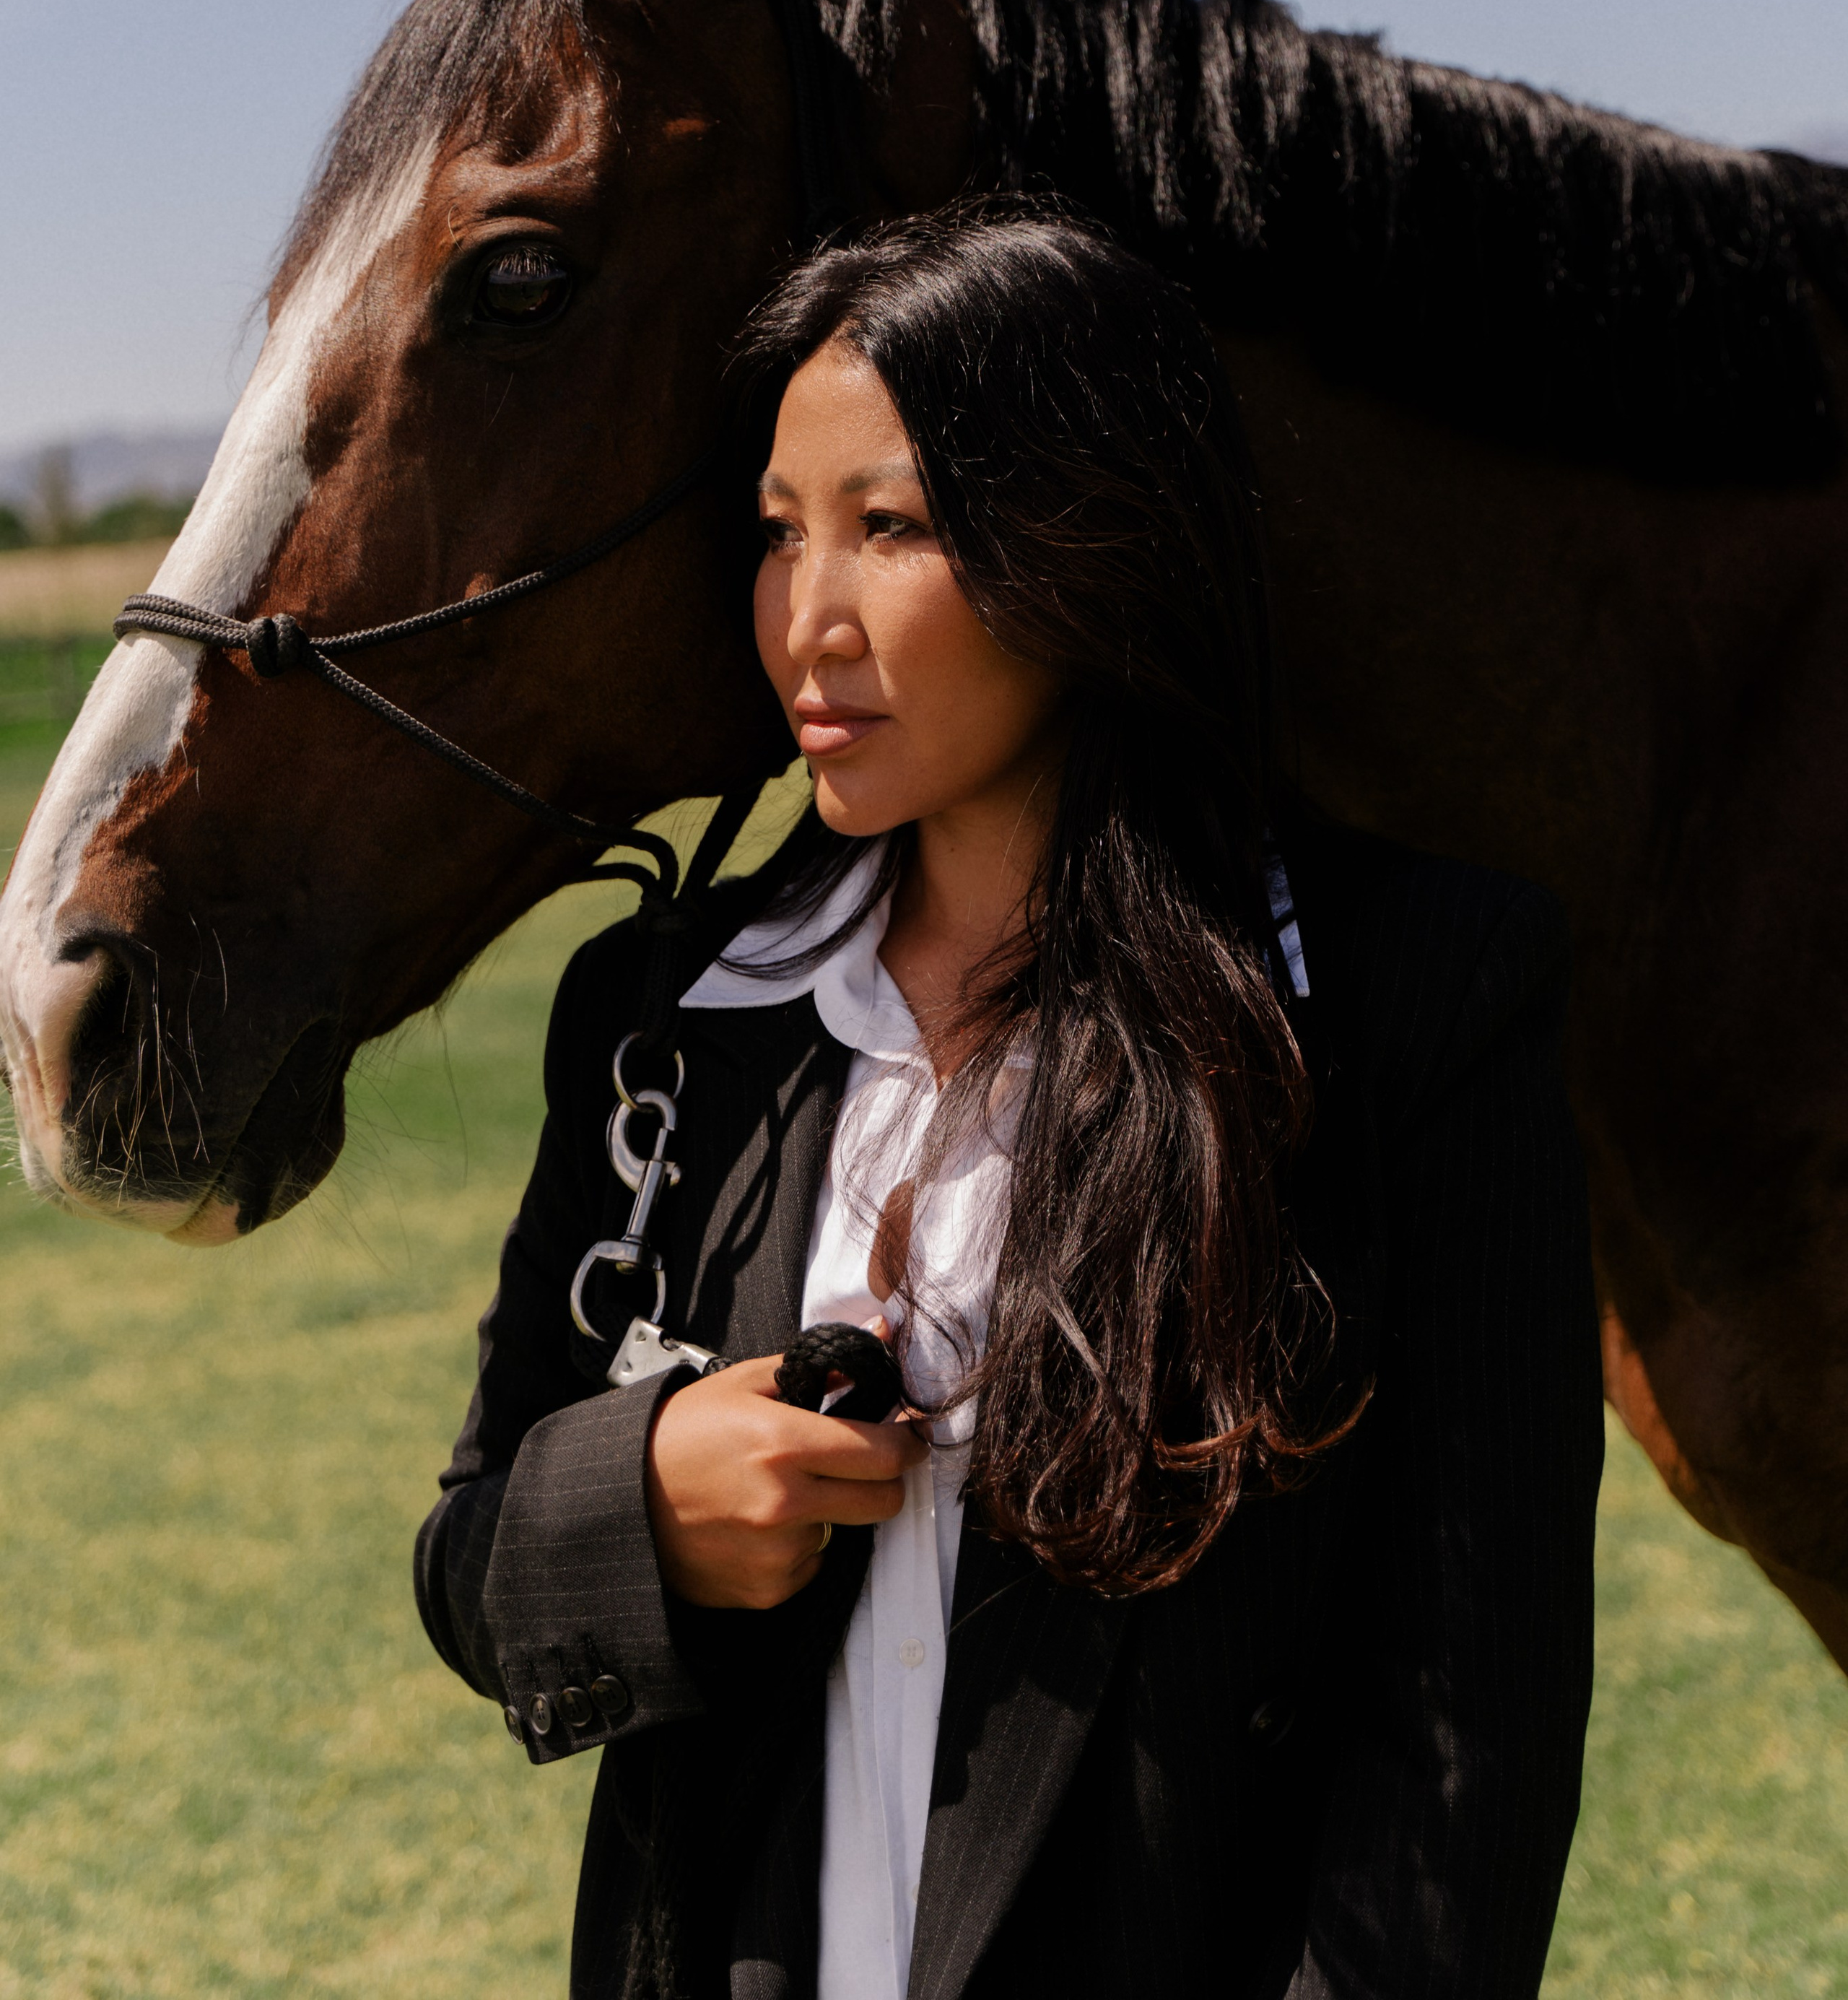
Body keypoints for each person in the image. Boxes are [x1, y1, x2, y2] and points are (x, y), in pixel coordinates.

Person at [414, 204, 1602, 2000]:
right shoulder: (663, 1018)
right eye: (773, 533)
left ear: (1098, 537)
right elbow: (470, 1559)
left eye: (886, 527)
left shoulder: (1415, 1004)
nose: (802, 617)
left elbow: (1466, 1734)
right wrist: (641, 1505)